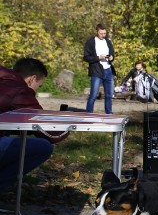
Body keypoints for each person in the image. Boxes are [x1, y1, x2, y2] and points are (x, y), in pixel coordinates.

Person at [0, 58, 68, 192]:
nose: (36, 91)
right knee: (43, 147)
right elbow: (52, 134)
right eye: (39, 86)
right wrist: (68, 124)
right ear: (32, 79)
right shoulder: (20, 92)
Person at [83, 23, 116, 114]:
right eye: (101, 33)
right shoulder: (91, 42)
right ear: (97, 32)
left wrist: (111, 57)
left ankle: (109, 113)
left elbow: (113, 54)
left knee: (109, 95)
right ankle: (89, 113)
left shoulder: (108, 41)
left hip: (108, 70)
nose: (103, 35)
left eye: (104, 33)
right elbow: (86, 57)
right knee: (93, 94)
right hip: (97, 71)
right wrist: (98, 57)